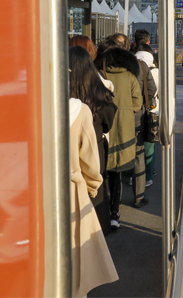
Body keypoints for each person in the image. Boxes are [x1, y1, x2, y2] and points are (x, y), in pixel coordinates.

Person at [67, 96, 119, 296]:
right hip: (71, 193)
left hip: (31, 198)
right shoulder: (78, 110)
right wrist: (93, 186)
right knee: (73, 263)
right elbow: (90, 161)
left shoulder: (21, 106)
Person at [69, 46, 117, 236]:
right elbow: (109, 119)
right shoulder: (100, 91)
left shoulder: (56, 96)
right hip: (96, 153)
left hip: (69, 168)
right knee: (95, 211)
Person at [95, 39, 143, 228]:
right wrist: (125, 112)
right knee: (117, 172)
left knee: (101, 169)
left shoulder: (99, 73)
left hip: (102, 126)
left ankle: (101, 212)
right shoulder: (130, 76)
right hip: (124, 127)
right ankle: (115, 213)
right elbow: (137, 103)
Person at [113, 32, 155, 208]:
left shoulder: (105, 65)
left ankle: (113, 203)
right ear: (130, 47)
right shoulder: (141, 66)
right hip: (136, 117)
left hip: (113, 117)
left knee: (113, 155)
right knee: (139, 156)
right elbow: (151, 89)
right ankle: (138, 197)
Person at [134, 40, 158, 188]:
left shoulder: (131, 69)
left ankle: (132, 176)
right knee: (149, 146)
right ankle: (148, 176)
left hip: (134, 112)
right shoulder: (157, 72)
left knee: (134, 146)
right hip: (152, 113)